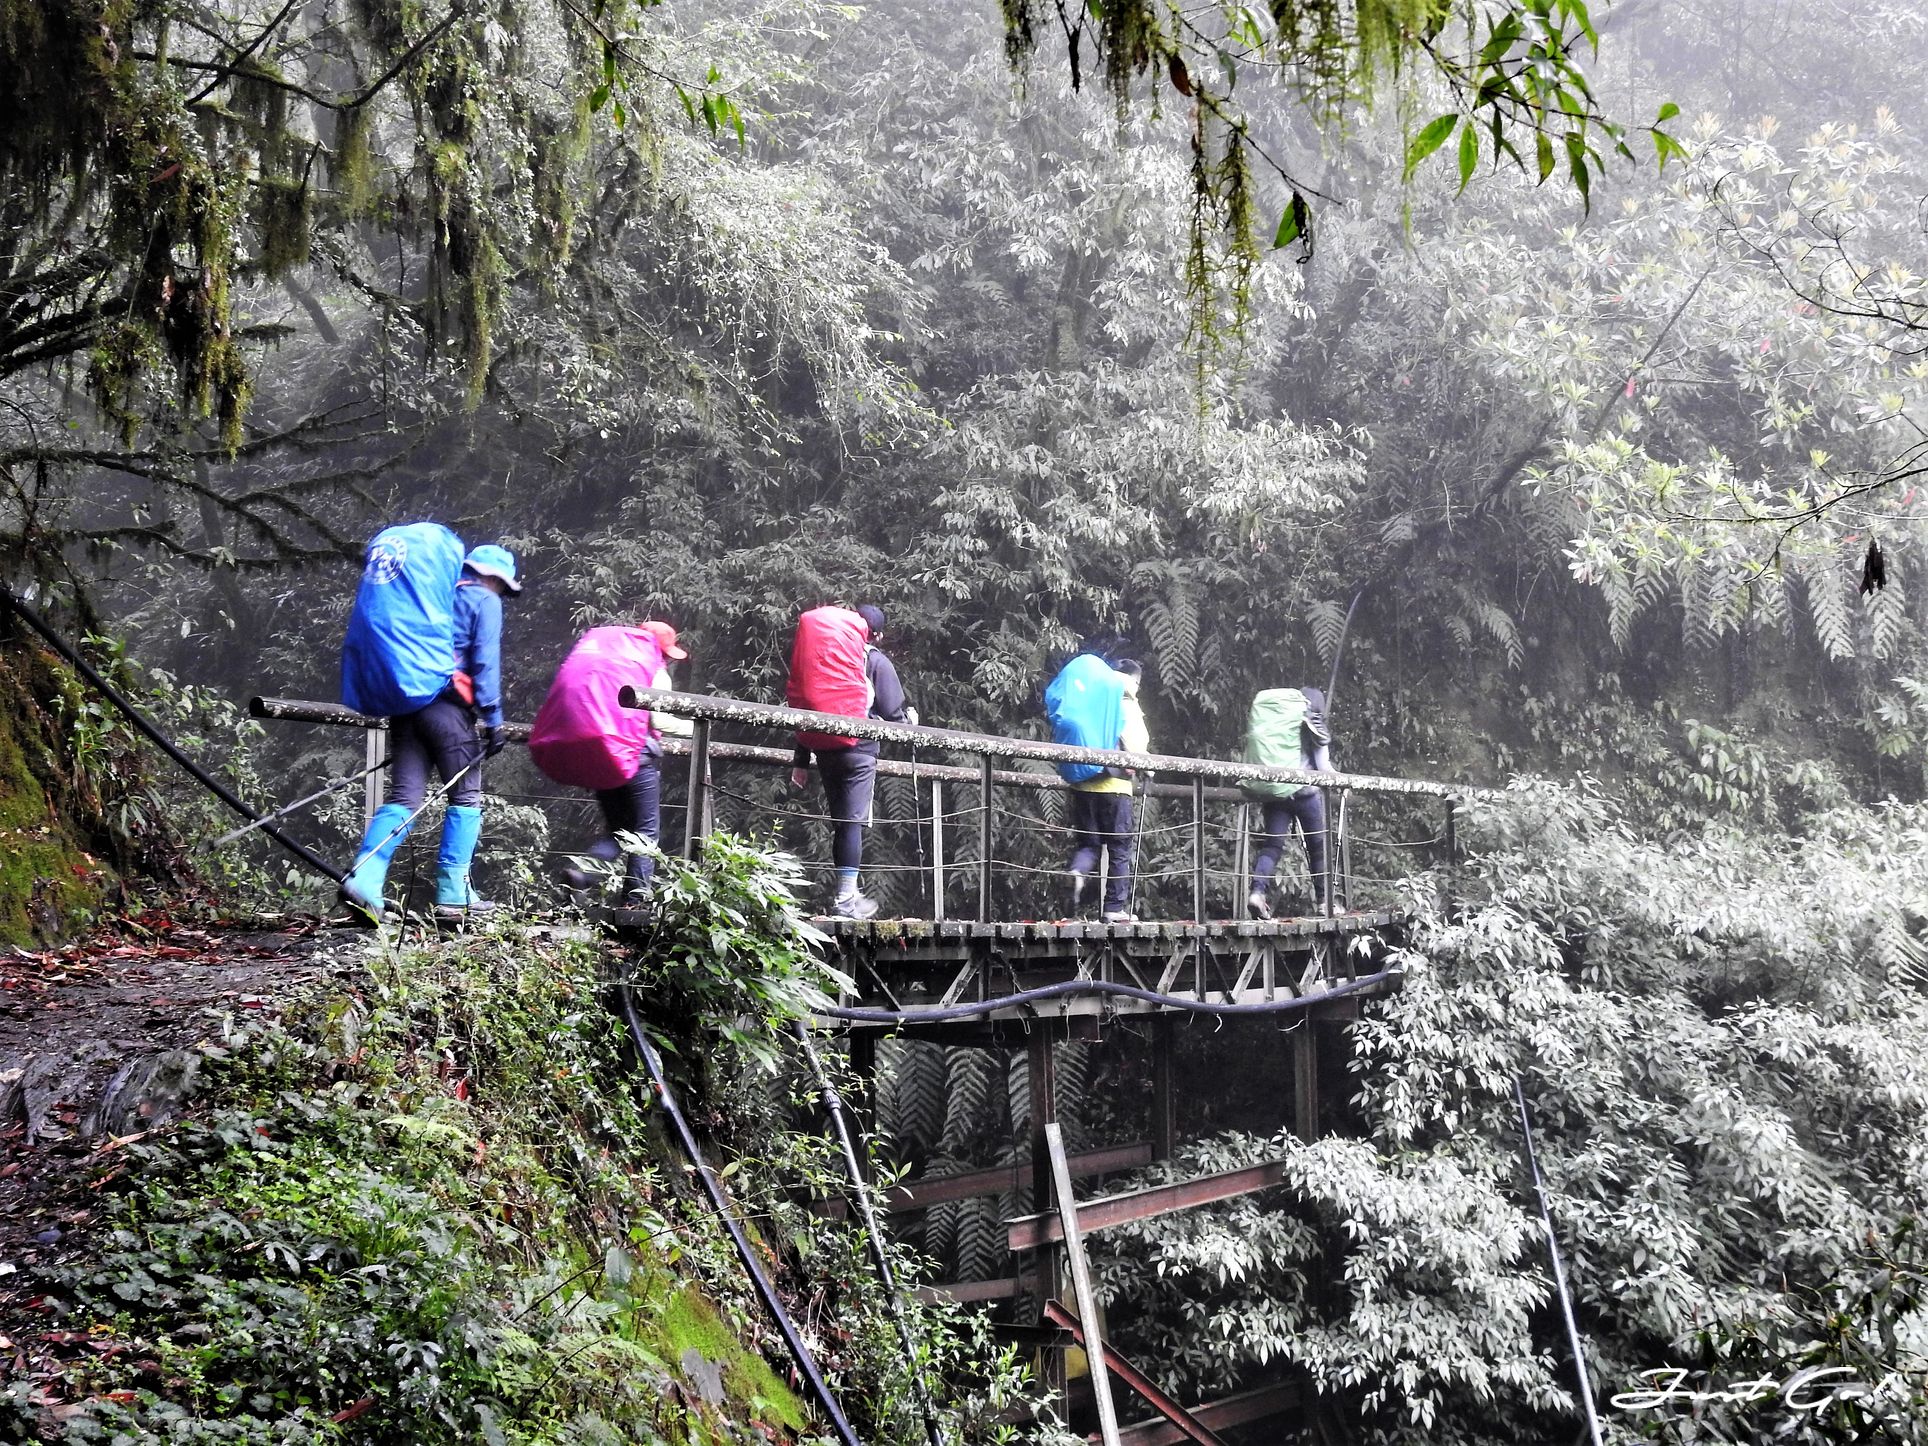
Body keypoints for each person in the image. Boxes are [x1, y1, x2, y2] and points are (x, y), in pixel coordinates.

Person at [340, 540, 521, 926]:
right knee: (466, 795)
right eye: (503, 585)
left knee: (405, 797)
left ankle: (365, 878)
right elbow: (485, 661)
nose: (502, 592)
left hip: (408, 704)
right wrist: (493, 719)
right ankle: (453, 895)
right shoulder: (484, 600)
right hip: (448, 708)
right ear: (492, 578)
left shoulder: (435, 593)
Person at [531, 620, 689, 902]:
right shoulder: (654, 669)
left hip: (604, 755)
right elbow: (659, 720)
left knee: (619, 830)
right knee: (645, 833)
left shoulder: (617, 662)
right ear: (661, 651)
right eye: (667, 654)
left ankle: (583, 875)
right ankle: (634, 903)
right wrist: (697, 727)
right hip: (637, 757)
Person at [786, 603, 917, 919]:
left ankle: (846, 894)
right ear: (877, 635)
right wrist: (910, 722)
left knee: (841, 824)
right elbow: (893, 713)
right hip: (859, 751)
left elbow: (807, 705)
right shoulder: (875, 660)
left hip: (824, 748)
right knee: (852, 823)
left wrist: (801, 760)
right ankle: (846, 899)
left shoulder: (829, 656)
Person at [1062, 657, 1148, 922]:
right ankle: (1113, 907)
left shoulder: (1094, 695)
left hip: (1084, 782)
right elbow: (1136, 742)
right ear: (1134, 679)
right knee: (1119, 847)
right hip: (1115, 786)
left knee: (1089, 844)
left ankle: (1078, 873)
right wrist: (1145, 764)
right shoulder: (1126, 700)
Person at [1243, 685, 1334, 920]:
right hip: (1306, 794)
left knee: (1272, 846)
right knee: (1317, 847)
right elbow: (1324, 768)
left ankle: (1257, 893)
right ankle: (1324, 902)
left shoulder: (1282, 722)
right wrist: (1341, 780)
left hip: (1278, 792)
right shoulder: (1314, 724)